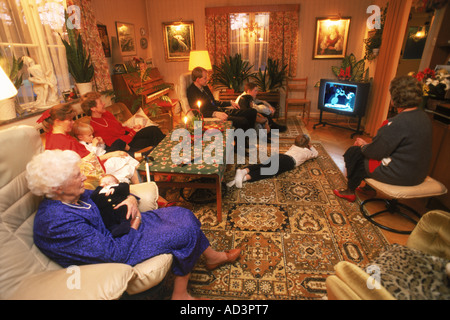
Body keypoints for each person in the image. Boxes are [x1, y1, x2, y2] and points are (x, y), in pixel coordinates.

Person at [27, 149, 242, 300]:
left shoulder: (73, 195)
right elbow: (112, 255)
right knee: (184, 231)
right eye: (77, 175)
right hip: (119, 248)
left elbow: (103, 194)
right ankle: (180, 295)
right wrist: (136, 219)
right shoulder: (56, 223)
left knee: (181, 213)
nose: (84, 177)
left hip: (118, 229)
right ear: (56, 187)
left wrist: (130, 198)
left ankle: (211, 257)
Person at [333, 75, 432, 202]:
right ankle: (367, 188)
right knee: (366, 151)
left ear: (394, 97)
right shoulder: (424, 117)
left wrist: (363, 145)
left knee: (355, 152)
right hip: (418, 175)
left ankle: (349, 191)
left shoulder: (396, 123)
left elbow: (374, 152)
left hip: (400, 176)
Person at [38, 103, 130, 188]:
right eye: (70, 120)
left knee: (124, 161)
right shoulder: (63, 141)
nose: (73, 122)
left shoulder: (52, 136)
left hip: (87, 170)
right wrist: (111, 154)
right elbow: (87, 162)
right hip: (85, 178)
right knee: (125, 163)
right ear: (58, 121)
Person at [80, 92, 165, 158]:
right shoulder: (95, 127)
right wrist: (133, 132)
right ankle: (162, 157)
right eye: (100, 103)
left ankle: (166, 152)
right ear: (93, 108)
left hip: (129, 136)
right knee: (151, 141)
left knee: (153, 130)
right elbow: (115, 143)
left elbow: (121, 127)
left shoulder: (106, 113)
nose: (104, 104)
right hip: (126, 145)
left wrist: (133, 128)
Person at [227, 134, 318, 188]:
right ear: (306, 145)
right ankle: (244, 178)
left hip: (281, 156)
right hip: (289, 162)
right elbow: (316, 153)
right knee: (268, 171)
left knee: (263, 165)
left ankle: (242, 172)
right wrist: (310, 147)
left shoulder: (293, 147)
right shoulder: (307, 153)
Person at [186, 67, 258, 131]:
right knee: (243, 121)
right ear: (198, 79)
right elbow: (197, 112)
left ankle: (248, 138)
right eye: (205, 78)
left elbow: (214, 102)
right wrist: (215, 114)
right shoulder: (192, 91)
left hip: (220, 110)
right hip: (214, 114)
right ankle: (241, 143)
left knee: (252, 111)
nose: (207, 79)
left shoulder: (204, 87)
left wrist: (229, 103)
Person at [72, 121, 140, 184]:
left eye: (92, 134)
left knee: (126, 161)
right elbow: (92, 158)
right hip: (102, 162)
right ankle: (141, 166)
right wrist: (94, 145)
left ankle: (141, 169)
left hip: (105, 155)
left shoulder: (89, 142)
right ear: (80, 137)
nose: (92, 136)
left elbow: (102, 150)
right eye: (89, 135)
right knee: (123, 157)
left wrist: (101, 143)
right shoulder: (83, 146)